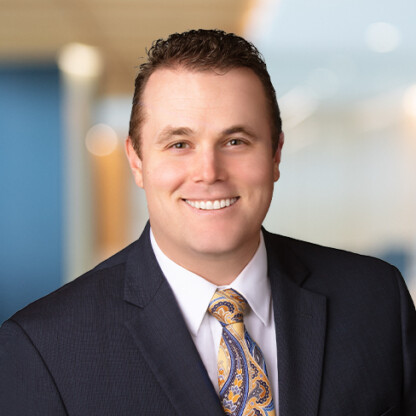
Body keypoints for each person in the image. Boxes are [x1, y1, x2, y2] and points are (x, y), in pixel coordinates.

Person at [0, 29, 415, 416]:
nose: (209, 171)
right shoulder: (43, 348)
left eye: (235, 141)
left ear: (275, 155)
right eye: (179, 144)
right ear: (137, 161)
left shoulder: (377, 301)